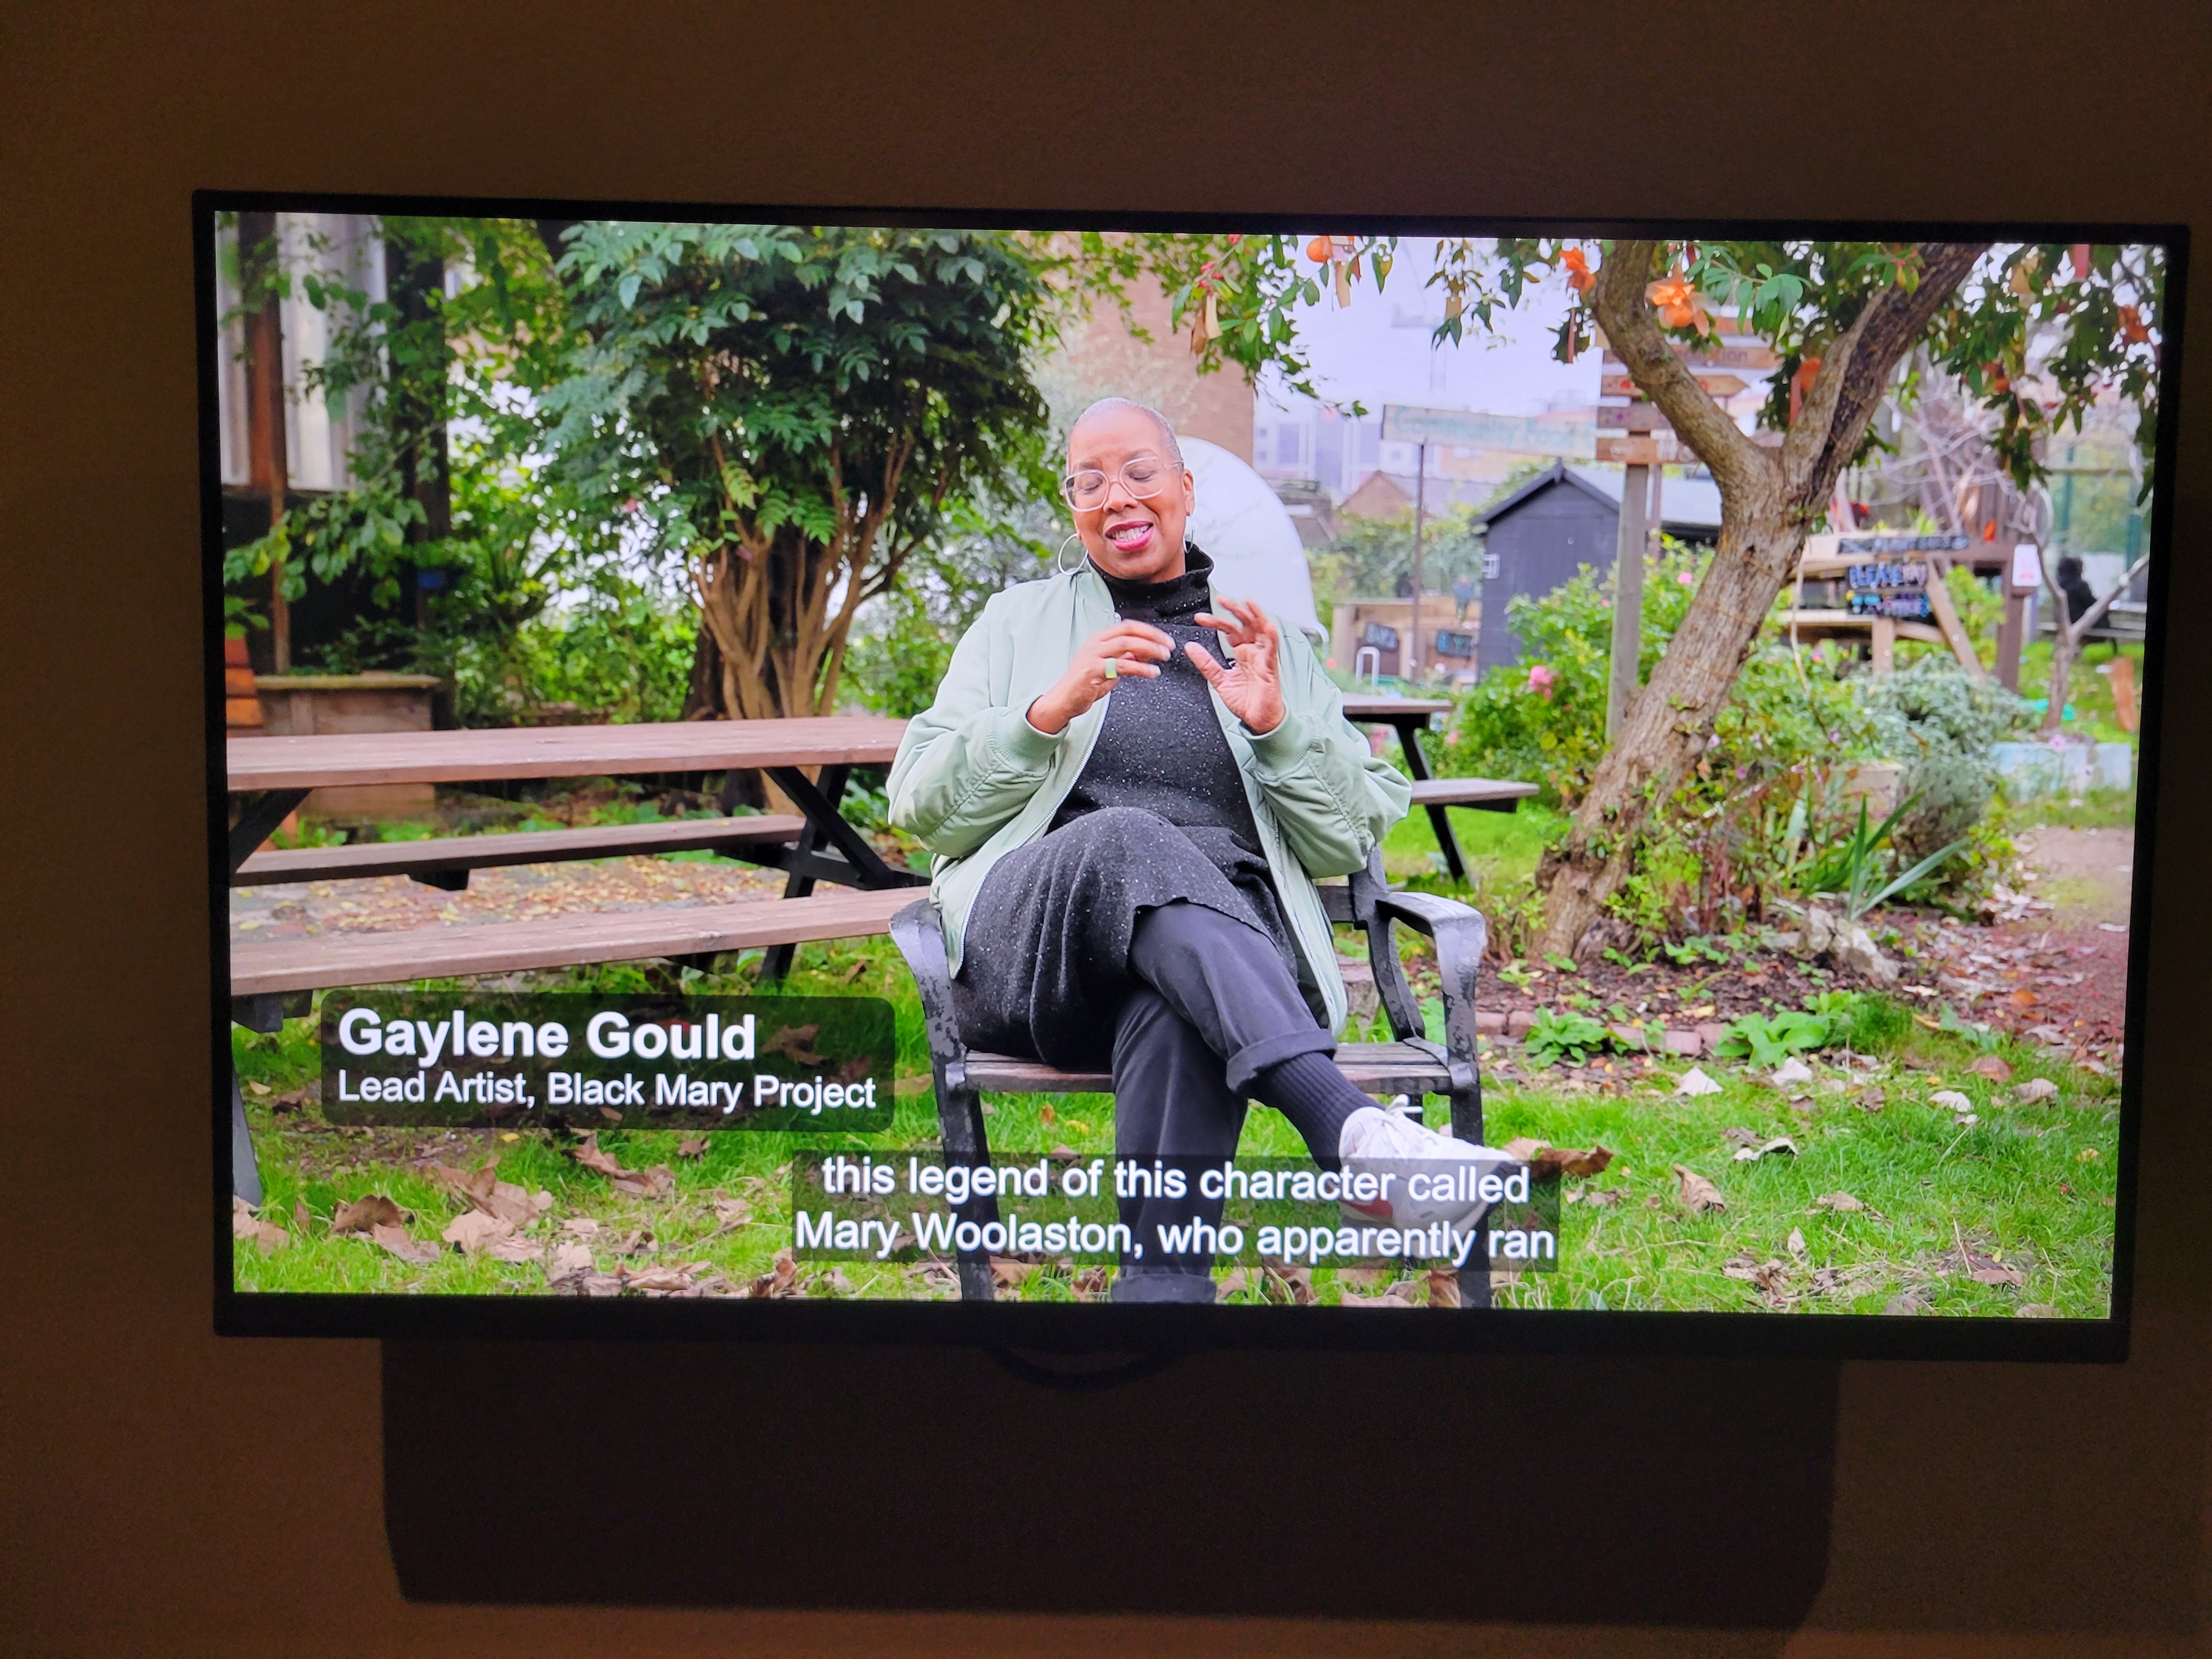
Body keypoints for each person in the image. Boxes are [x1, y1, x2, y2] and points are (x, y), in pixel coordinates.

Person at [889, 398, 1504, 1303]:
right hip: (1038, 948)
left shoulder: (1271, 647)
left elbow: (1352, 832)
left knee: (1177, 1001)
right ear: (1073, 510)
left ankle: (1161, 1314)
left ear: (1183, 489)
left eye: (1139, 472)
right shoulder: (1016, 626)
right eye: (1089, 481)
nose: (1117, 497)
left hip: (1216, 967)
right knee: (1132, 840)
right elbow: (920, 802)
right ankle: (1347, 1129)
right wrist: (1039, 717)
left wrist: (1280, 728)